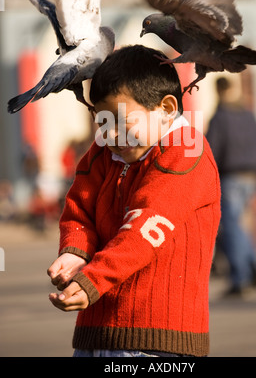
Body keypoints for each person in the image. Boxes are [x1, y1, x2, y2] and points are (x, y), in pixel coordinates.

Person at [47, 45, 221, 357]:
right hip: (96, 332)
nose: (112, 135)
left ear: (167, 108)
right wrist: (75, 252)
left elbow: (144, 230)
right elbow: (79, 209)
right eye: (102, 122)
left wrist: (92, 281)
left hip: (156, 340)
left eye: (122, 122)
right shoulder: (103, 153)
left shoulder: (186, 151)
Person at [206, 77, 256, 296]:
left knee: (231, 227)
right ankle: (254, 263)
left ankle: (240, 277)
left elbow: (211, 149)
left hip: (230, 177)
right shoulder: (248, 114)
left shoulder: (220, 117)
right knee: (237, 225)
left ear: (219, 91)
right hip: (251, 175)